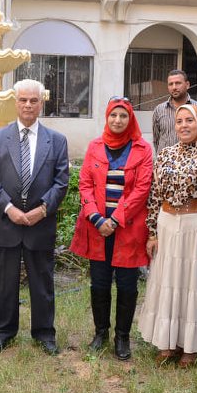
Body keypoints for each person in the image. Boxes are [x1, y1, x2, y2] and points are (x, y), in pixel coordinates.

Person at [138, 104, 197, 367]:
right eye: (179, 121)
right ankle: (168, 342)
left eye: (189, 120)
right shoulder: (165, 155)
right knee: (169, 281)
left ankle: (190, 346)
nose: (183, 125)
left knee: (194, 283)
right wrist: (152, 233)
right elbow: (155, 196)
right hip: (168, 225)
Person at [0, 79, 70, 355]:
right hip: (7, 222)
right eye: (23, 100)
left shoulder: (56, 141)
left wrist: (42, 210)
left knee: (42, 282)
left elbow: (61, 182)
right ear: (16, 102)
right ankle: (4, 331)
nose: (28, 105)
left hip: (40, 223)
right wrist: (10, 209)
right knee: (5, 282)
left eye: (33, 100)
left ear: (41, 103)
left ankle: (44, 333)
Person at [69, 96, 152, 360]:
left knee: (127, 286)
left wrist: (115, 220)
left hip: (128, 228)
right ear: (107, 118)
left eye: (123, 116)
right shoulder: (95, 146)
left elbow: (142, 189)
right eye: (113, 115)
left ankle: (122, 337)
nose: (118, 120)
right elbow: (85, 185)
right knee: (99, 284)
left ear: (130, 119)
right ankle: (100, 333)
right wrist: (96, 218)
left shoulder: (143, 149)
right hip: (97, 228)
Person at [151, 69, 197, 153]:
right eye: (171, 84)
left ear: (187, 85)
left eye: (178, 83)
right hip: (166, 159)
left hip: (193, 159)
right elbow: (156, 140)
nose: (174, 87)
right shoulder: (159, 110)